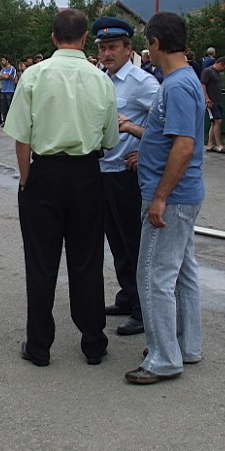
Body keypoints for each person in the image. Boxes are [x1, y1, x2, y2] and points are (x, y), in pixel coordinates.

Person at [4, 9, 119, 367]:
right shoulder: (101, 79)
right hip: (86, 173)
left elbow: (21, 137)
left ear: (54, 38)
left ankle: (39, 346)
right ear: (85, 38)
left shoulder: (34, 75)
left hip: (44, 172)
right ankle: (93, 342)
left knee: (41, 262)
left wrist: (26, 179)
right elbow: (110, 139)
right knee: (87, 260)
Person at [118, 12, 205, 385]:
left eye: (146, 44)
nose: (147, 51)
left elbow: (184, 146)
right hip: (179, 194)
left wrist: (160, 197)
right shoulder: (181, 81)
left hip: (171, 198)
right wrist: (144, 142)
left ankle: (164, 358)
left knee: (154, 275)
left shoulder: (177, 86)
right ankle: (185, 345)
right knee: (182, 273)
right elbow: (169, 137)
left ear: (155, 43)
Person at [92, 17, 160, 337]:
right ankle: (128, 295)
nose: (107, 53)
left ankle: (143, 310)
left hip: (126, 174)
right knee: (116, 241)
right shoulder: (100, 79)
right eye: (103, 48)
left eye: (113, 47)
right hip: (102, 171)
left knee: (134, 243)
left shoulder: (143, 83)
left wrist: (144, 151)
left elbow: (166, 128)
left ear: (128, 48)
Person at [201, 57, 225, 153]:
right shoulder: (208, 71)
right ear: (221, 64)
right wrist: (207, 99)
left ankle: (210, 144)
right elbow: (203, 84)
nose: (224, 70)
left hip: (218, 100)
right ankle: (219, 144)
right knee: (218, 121)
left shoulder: (217, 73)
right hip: (211, 101)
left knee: (214, 122)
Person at [0, 57, 17, 125]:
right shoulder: (3, 69)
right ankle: (5, 121)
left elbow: (8, 77)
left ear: (7, 60)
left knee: (10, 107)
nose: (2, 61)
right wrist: (4, 76)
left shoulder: (12, 68)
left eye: (3, 60)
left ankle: (12, 121)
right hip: (3, 90)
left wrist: (3, 76)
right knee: (4, 107)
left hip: (10, 90)